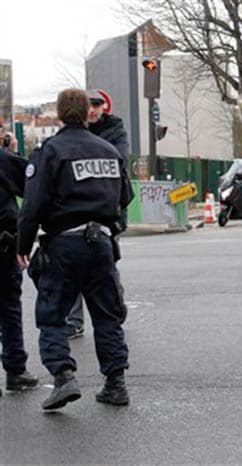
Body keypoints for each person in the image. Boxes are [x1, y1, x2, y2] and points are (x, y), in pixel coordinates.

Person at [16, 88, 134, 410]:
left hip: (64, 243)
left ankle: (64, 377)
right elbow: (126, 196)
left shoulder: (50, 150)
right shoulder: (109, 150)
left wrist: (22, 245)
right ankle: (115, 384)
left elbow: (33, 204)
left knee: (53, 315)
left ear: (58, 113)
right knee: (108, 315)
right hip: (102, 244)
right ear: (86, 113)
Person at [64, 89, 131, 340]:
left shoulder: (115, 131)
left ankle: (114, 303)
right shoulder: (73, 133)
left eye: (97, 104)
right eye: (88, 104)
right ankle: (74, 321)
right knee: (74, 267)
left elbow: (120, 162)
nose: (92, 109)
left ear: (105, 107)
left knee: (105, 265)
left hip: (106, 208)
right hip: (78, 207)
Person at [0, 145, 39, 397]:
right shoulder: (4, 160)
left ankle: (16, 369)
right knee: (8, 309)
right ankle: (15, 370)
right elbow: (34, 186)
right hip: (3, 245)